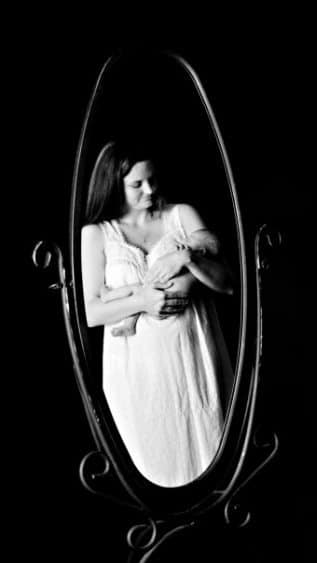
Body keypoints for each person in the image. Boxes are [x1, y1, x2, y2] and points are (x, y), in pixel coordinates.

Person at [81, 140, 235, 487]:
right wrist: (143, 302)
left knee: (208, 450)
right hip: (137, 371)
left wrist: (185, 258)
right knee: (152, 466)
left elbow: (227, 283)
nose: (150, 190)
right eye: (137, 184)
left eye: (152, 179)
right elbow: (92, 312)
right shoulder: (97, 235)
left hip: (192, 356)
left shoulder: (180, 215)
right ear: (113, 184)